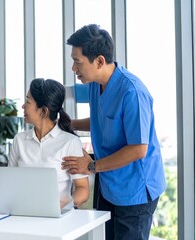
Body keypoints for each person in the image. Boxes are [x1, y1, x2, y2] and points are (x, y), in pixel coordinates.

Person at [61, 24, 166, 240]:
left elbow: (138, 149)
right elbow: (102, 120)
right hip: (108, 182)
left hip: (134, 190)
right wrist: (70, 124)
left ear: (99, 61)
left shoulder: (132, 92)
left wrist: (90, 166)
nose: (73, 68)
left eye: (77, 62)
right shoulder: (94, 83)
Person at [0, 78, 89, 209]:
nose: (23, 106)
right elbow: (10, 183)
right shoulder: (19, 140)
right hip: (22, 213)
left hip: (56, 219)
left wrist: (62, 206)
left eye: (28, 102)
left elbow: (83, 190)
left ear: (43, 111)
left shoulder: (70, 142)